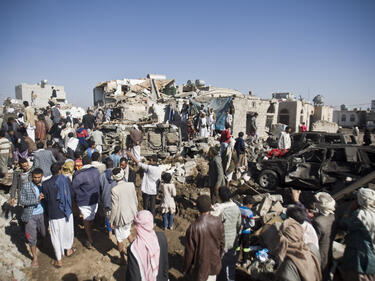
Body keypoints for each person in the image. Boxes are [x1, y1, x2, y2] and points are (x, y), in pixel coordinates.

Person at [184, 195, 225, 281]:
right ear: (210, 207)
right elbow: (222, 244)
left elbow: (189, 252)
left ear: (197, 208)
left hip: (200, 267)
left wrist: (186, 268)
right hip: (214, 264)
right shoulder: (218, 222)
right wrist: (218, 257)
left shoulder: (193, 227)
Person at [43, 163, 75, 268]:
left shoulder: (45, 184)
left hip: (53, 214)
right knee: (68, 232)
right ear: (60, 170)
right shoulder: (66, 180)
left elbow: (46, 200)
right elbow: (72, 194)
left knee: (55, 237)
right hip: (66, 212)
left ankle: (59, 260)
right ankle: (69, 250)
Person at [340, 188, 375, 281]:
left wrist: (349, 210)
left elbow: (344, 224)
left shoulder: (360, 215)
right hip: (372, 261)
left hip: (358, 260)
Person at [126, 210, 169, 281]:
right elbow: (165, 264)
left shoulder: (133, 249)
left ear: (137, 226)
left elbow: (134, 277)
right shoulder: (161, 237)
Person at [211, 187, 241, 281]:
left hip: (220, 242)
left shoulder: (218, 209)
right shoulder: (236, 208)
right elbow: (239, 225)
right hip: (232, 241)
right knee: (230, 266)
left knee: (217, 265)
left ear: (219, 196)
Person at [109, 167, 138, 264]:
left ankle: (122, 259)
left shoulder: (114, 190)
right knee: (127, 232)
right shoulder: (131, 185)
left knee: (119, 239)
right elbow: (135, 200)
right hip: (131, 215)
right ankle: (137, 252)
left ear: (114, 177)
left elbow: (114, 207)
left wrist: (111, 220)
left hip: (121, 218)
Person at [19, 168, 46, 268]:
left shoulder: (44, 186)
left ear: (42, 176)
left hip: (42, 214)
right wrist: (36, 201)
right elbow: (22, 201)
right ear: (32, 177)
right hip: (30, 215)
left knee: (44, 233)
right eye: (35, 177)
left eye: (39, 177)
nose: (37, 179)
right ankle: (35, 258)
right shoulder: (26, 186)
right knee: (31, 238)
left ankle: (42, 244)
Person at [71, 156, 101, 249]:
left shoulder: (78, 175)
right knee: (90, 217)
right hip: (95, 199)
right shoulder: (96, 171)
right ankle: (89, 233)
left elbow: (74, 189)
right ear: (91, 162)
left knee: (86, 219)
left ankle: (89, 237)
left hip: (83, 201)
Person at [127, 152, 161, 218]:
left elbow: (139, 163)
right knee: (152, 206)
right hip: (154, 190)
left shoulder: (150, 168)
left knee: (145, 205)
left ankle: (145, 218)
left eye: (150, 160)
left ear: (154, 162)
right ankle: (152, 220)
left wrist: (132, 156)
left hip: (147, 190)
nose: (149, 161)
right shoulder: (159, 169)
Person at [312, 192, 336, 281]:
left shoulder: (317, 222)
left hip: (320, 253)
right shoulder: (333, 217)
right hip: (329, 252)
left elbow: (314, 240)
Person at [238, 196, 255, 265]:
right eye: (251, 204)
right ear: (248, 204)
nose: (252, 206)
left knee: (237, 246)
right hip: (246, 231)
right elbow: (252, 224)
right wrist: (246, 226)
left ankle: (236, 259)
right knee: (246, 247)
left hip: (238, 230)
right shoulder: (249, 212)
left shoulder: (238, 209)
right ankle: (244, 261)